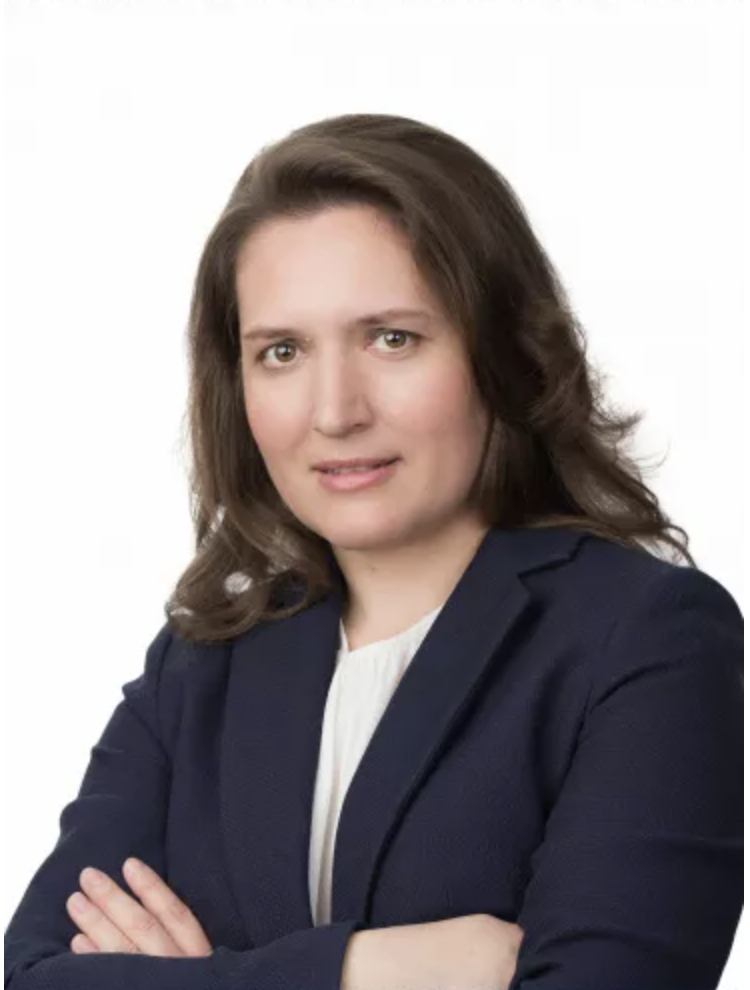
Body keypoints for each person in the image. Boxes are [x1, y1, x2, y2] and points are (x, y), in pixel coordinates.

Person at [4, 113, 743, 990]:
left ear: (502, 350)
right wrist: (365, 967)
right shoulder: (202, 662)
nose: (335, 411)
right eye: (281, 351)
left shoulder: (650, 636)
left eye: (392, 338)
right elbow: (35, 976)